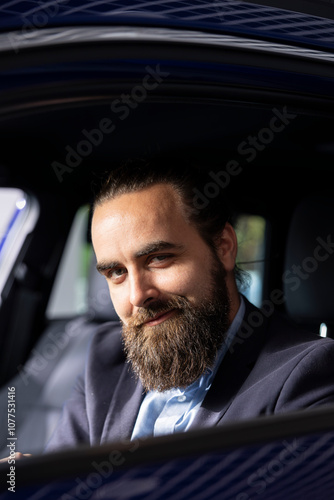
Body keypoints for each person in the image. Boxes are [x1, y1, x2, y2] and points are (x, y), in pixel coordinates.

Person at [45, 159, 334, 452]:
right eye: (117, 272)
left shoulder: (307, 374)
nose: (137, 295)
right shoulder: (105, 359)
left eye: (159, 258)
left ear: (223, 248)